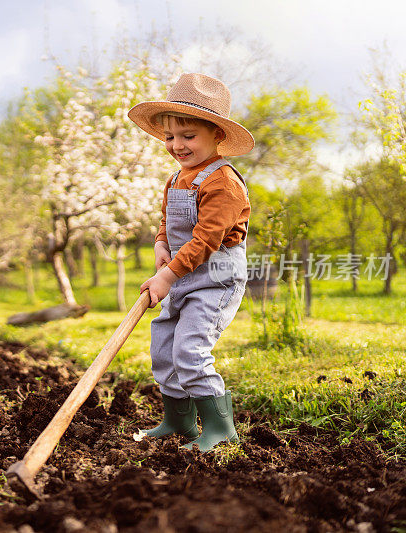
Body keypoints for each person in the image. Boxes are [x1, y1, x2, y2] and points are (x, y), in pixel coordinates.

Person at [127, 73, 254, 452]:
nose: (176, 145)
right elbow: (168, 219)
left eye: (188, 135)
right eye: (170, 136)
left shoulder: (224, 182)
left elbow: (207, 238)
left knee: (190, 350)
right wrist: (161, 244)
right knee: (164, 347)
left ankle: (219, 427)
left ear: (217, 134)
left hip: (214, 279)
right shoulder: (176, 179)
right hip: (180, 274)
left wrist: (168, 273)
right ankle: (177, 421)